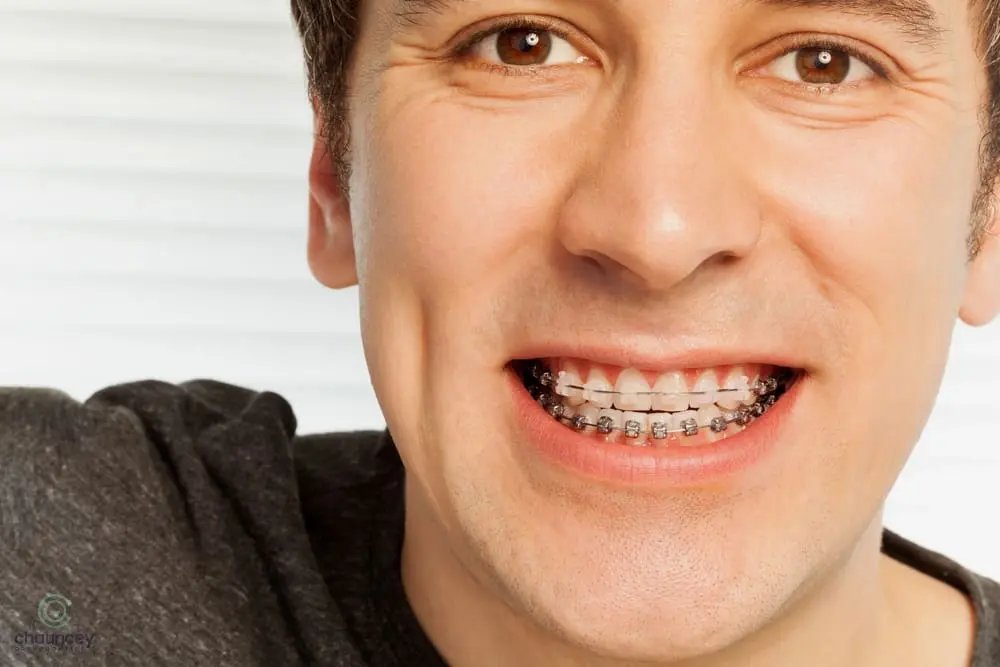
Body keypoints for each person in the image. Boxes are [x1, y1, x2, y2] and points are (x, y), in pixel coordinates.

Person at [2, 0, 1000, 664]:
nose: (657, 231)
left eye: (825, 63)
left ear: (988, 211)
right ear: (334, 177)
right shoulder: (53, 552)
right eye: (520, 44)